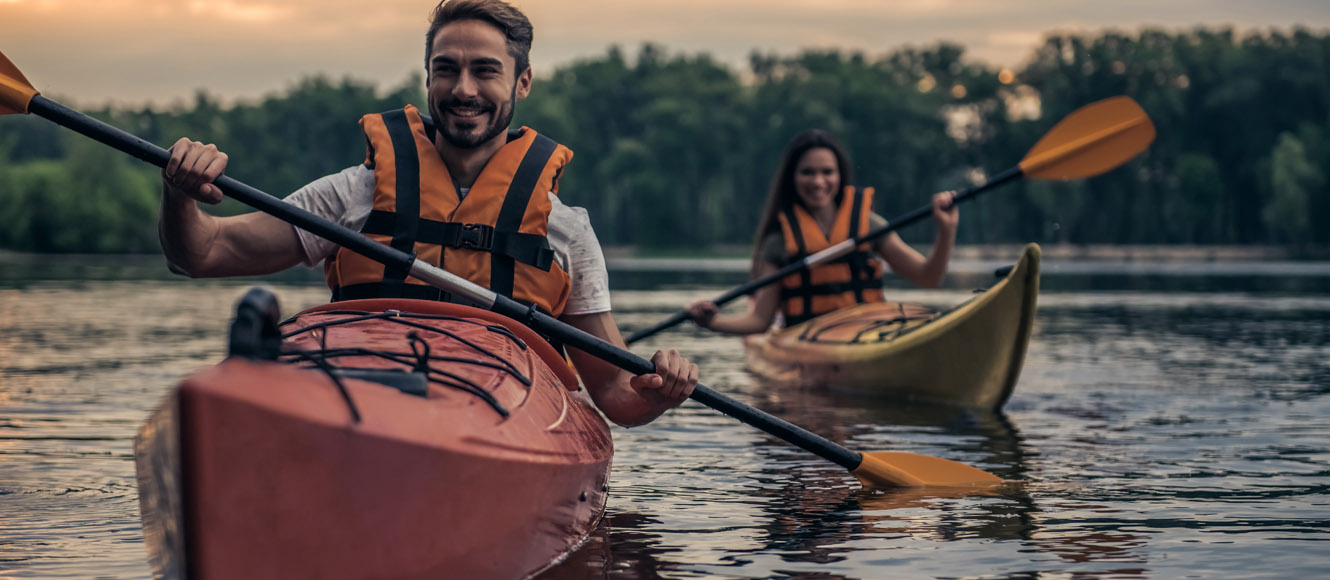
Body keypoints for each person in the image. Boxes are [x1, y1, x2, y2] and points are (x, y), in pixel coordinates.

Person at [156, 0, 697, 427]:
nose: (464, 89)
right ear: (428, 77)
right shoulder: (354, 194)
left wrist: (661, 390)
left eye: (485, 71)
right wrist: (179, 194)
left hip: (499, 406)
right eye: (446, 70)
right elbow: (202, 254)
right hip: (357, 382)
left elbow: (613, 395)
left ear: (522, 82)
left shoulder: (566, 230)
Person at [686, 130, 958, 334]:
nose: (818, 182)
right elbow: (760, 321)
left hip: (869, 333)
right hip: (810, 340)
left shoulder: (869, 225)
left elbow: (928, 278)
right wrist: (712, 322)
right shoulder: (778, 242)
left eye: (827, 172)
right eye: (807, 172)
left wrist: (946, 231)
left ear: (841, 176)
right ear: (792, 178)